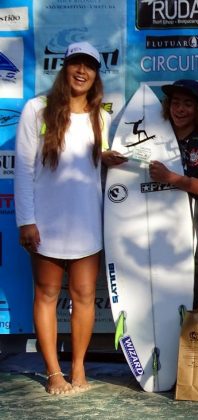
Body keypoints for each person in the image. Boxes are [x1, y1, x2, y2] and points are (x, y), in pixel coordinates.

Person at [14, 41, 126, 395]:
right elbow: (23, 170)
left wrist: (107, 161)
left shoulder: (101, 116)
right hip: (45, 225)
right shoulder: (36, 109)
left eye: (89, 66)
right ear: (64, 68)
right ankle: (52, 372)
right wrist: (25, 221)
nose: (82, 71)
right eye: (75, 64)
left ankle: (78, 367)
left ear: (96, 75)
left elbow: (95, 169)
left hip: (88, 224)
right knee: (46, 295)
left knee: (83, 296)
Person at [149, 79, 198, 307]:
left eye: (187, 104)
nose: (180, 109)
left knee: (196, 302)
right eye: (175, 103)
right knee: (160, 301)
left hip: (194, 235)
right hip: (155, 232)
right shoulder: (154, 138)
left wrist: (171, 178)